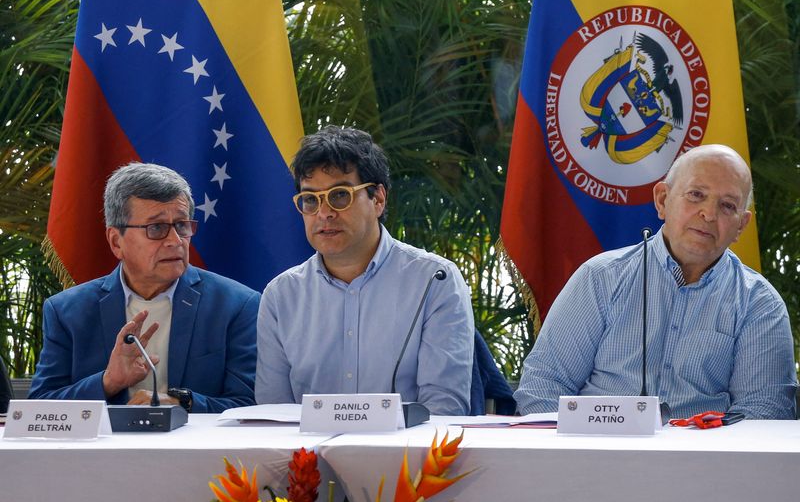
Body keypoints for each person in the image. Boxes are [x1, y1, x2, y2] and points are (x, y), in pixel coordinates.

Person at [514, 144, 797, 419]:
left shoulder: (760, 304)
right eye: (696, 194)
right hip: (596, 453)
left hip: (705, 461)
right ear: (662, 200)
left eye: (727, 206)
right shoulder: (600, 278)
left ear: (741, 225)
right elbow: (544, 387)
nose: (709, 215)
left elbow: (764, 411)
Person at [255, 126, 474, 415]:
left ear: (378, 199)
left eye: (340, 195)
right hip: (307, 459)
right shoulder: (282, 295)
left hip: (406, 457)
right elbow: (274, 414)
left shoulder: (434, 281)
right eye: (311, 200)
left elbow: (444, 409)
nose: (324, 213)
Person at [29, 162, 259, 413]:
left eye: (182, 225)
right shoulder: (67, 311)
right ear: (116, 242)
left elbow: (249, 406)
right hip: (106, 452)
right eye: (157, 228)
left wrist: (182, 404)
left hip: (196, 451)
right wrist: (109, 382)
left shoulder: (236, 305)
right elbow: (40, 407)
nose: (175, 241)